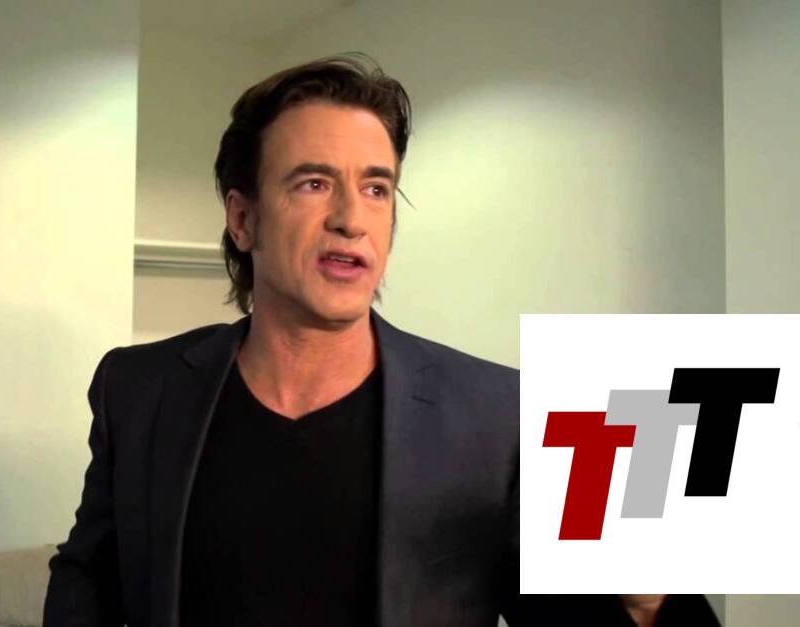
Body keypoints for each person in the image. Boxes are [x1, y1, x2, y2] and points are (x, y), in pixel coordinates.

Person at [43, 55, 719, 626]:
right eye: (314, 183)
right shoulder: (140, 390)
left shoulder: (498, 414)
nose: (350, 218)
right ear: (243, 219)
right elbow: (86, 584)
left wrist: (645, 597)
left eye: (375, 188)